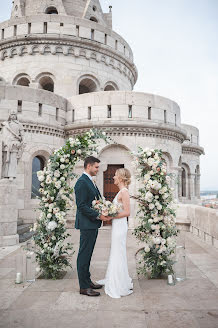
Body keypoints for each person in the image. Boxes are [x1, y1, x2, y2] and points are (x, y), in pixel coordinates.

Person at [74, 156, 110, 297]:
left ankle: (87, 281)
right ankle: (83, 287)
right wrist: (98, 215)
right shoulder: (82, 182)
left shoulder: (90, 181)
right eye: (96, 167)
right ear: (88, 166)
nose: (98, 169)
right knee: (84, 255)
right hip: (87, 223)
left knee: (88, 254)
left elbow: (95, 201)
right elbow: (81, 206)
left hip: (91, 224)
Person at [97, 168, 133, 298]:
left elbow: (127, 212)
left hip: (120, 226)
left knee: (118, 252)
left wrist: (111, 216)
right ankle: (116, 277)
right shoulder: (121, 192)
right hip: (117, 226)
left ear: (121, 178)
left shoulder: (124, 192)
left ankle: (119, 282)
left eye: (115, 175)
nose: (113, 177)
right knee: (116, 251)